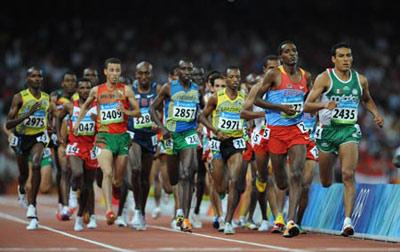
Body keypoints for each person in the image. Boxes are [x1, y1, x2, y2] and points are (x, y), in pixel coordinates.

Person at [304, 42, 384, 236]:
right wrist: (324, 105)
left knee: (348, 174)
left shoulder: (360, 80)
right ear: (333, 59)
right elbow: (307, 106)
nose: (346, 59)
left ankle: (347, 222)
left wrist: (375, 114)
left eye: (349, 55)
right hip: (327, 132)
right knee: (325, 181)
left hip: (348, 131)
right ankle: (329, 191)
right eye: (341, 56)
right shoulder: (325, 78)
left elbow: (366, 99)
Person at [255, 41, 312, 238]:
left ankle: (291, 221)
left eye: (294, 50)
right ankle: (283, 199)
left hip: (296, 130)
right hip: (276, 131)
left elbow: (309, 101)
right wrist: (281, 108)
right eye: (287, 51)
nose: (292, 54)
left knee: (296, 173)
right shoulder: (274, 74)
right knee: (281, 181)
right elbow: (256, 100)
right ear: (281, 57)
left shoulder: (306, 76)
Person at [74, 57, 141, 225]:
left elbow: (137, 112)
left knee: (118, 180)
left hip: (122, 138)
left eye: (117, 70)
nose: (114, 74)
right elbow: (85, 106)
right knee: (107, 173)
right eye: (111, 70)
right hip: (104, 137)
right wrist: (77, 123)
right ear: (105, 72)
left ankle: (117, 190)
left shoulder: (126, 90)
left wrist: (125, 110)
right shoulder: (96, 90)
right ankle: (109, 210)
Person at [150, 60, 201, 232]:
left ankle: (184, 217)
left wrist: (201, 125)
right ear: (178, 71)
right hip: (171, 136)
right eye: (184, 69)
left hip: (189, 134)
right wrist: (162, 128)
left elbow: (197, 111)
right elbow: (152, 108)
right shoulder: (168, 87)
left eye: (190, 69)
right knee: (173, 179)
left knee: (187, 173)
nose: (187, 71)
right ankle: (179, 209)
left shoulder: (196, 89)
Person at [6, 67, 56, 230]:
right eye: (33, 76)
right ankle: (22, 189)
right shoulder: (19, 97)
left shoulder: (47, 98)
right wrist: (27, 115)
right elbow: (8, 123)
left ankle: (32, 208)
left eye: (39, 76)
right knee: (23, 174)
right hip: (22, 138)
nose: (37, 78)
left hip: (38, 138)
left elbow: (49, 119)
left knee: (36, 164)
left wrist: (51, 129)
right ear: (27, 79)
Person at [199, 66, 246, 235]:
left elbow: (248, 115)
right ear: (226, 79)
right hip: (217, 142)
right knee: (220, 187)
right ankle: (221, 203)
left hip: (236, 142)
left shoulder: (243, 97)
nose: (235, 80)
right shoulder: (216, 98)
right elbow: (201, 116)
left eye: (238, 77)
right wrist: (215, 130)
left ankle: (228, 221)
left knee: (234, 181)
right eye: (232, 77)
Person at [58, 78, 98, 231]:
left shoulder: (97, 107)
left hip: (91, 147)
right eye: (82, 87)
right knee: (77, 172)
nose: (85, 90)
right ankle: (72, 196)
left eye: (88, 88)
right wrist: (60, 135)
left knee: (88, 186)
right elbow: (58, 117)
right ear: (77, 90)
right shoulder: (70, 106)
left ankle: (80, 217)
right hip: (75, 145)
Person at [124, 61, 160, 230]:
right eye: (141, 73)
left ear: (151, 74)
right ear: (136, 74)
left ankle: (141, 211)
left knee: (146, 178)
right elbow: (122, 111)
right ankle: (137, 210)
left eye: (147, 73)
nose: (144, 76)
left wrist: (159, 125)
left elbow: (164, 110)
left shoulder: (157, 89)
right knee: (136, 169)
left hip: (150, 137)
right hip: (134, 135)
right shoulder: (129, 90)